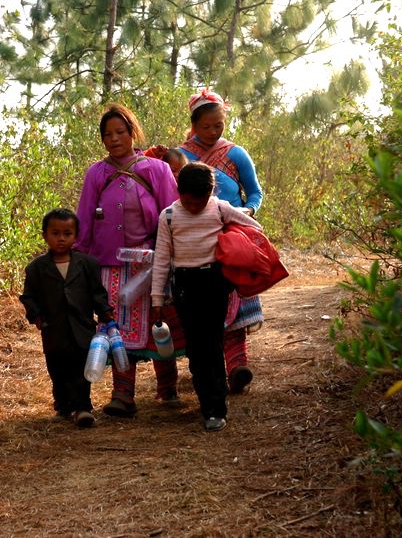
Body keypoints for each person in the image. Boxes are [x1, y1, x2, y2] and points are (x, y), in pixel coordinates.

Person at [75, 104, 182, 418]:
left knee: (157, 322)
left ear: (132, 132)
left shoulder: (156, 169)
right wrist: (80, 260)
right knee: (117, 327)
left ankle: (168, 388)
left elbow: (171, 214)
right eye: (107, 134)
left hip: (150, 263)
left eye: (120, 132)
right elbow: (84, 217)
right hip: (109, 264)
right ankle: (123, 395)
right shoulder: (97, 173)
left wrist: (170, 254)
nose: (114, 139)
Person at [150, 162, 260, 431]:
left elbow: (253, 226)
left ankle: (215, 407)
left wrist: (236, 248)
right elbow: (162, 258)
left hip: (215, 282)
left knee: (211, 342)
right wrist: (157, 299)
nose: (194, 207)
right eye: (188, 202)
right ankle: (207, 402)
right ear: (178, 192)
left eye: (200, 202)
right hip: (185, 286)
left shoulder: (220, 208)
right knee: (196, 347)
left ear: (211, 193)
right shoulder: (168, 217)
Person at [179, 89, 264, 395]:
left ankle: (237, 365)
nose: (213, 132)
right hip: (195, 239)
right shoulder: (181, 155)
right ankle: (210, 366)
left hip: (232, 235)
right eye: (206, 127)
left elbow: (255, 192)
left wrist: (248, 211)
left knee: (234, 296)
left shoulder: (235, 154)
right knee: (204, 305)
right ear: (193, 125)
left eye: (218, 125)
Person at [20, 208, 114, 428]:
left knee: (82, 367)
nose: (61, 238)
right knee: (57, 369)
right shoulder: (36, 268)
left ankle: (83, 407)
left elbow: (96, 292)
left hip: (82, 328)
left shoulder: (88, 264)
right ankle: (63, 404)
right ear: (44, 235)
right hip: (53, 329)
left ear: (76, 236)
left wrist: (105, 311)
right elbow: (28, 296)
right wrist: (36, 317)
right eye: (55, 233)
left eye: (67, 233)